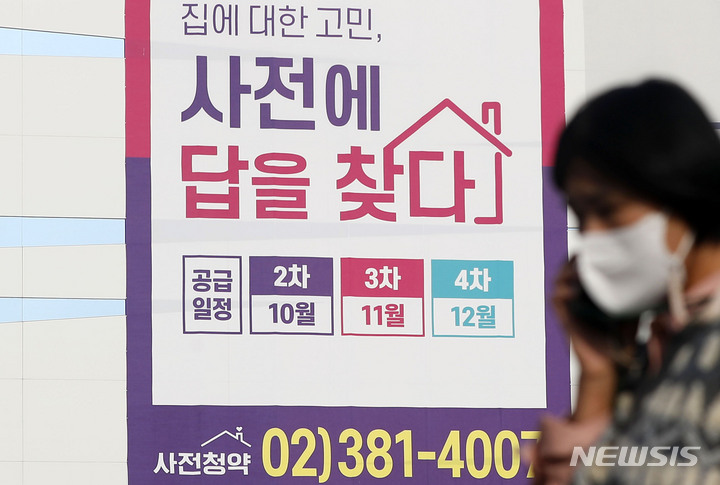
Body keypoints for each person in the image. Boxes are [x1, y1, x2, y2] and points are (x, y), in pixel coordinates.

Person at [532, 79, 720, 484]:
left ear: (680, 193)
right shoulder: (658, 350)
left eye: (608, 211)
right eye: (581, 218)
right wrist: (599, 374)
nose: (592, 238)